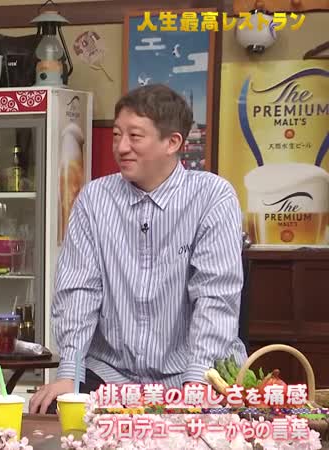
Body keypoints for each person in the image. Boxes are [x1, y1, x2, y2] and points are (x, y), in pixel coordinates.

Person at [29, 84, 247, 414]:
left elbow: (215, 296)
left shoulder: (212, 197)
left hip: (191, 371)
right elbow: (78, 291)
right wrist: (69, 373)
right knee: (53, 411)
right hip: (111, 374)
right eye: (117, 135)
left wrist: (198, 381)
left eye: (135, 136)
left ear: (172, 142)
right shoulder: (94, 199)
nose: (121, 147)